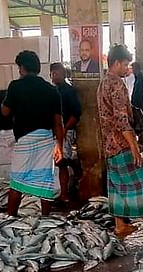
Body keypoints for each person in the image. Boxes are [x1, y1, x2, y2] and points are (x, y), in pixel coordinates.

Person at [98, 45, 143, 238]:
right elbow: (121, 119)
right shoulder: (116, 84)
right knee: (141, 181)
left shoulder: (103, 82)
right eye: (125, 64)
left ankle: (120, 224)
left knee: (116, 185)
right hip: (121, 144)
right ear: (115, 63)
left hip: (108, 144)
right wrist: (134, 147)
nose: (127, 68)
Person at [2, 50, 64, 217]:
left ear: (22, 68)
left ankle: (10, 217)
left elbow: (5, 112)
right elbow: (58, 123)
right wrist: (60, 145)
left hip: (25, 140)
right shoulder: (51, 90)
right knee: (45, 181)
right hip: (45, 139)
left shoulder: (15, 86)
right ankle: (45, 218)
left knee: (17, 181)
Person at [51, 62, 82, 202]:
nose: (55, 76)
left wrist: (65, 129)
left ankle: (65, 193)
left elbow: (76, 114)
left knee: (62, 161)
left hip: (66, 131)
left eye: (57, 73)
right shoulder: (51, 91)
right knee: (59, 161)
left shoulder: (69, 91)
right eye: (53, 73)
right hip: (53, 132)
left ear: (64, 74)